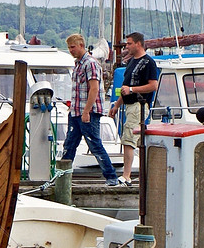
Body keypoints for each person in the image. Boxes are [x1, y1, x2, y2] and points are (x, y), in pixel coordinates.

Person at [62, 33, 120, 185]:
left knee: (94, 144)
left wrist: (87, 111)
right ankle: (62, 178)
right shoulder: (78, 64)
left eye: (73, 47)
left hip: (87, 112)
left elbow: (93, 89)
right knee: (69, 145)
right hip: (76, 111)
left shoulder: (90, 63)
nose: (70, 50)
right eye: (69, 47)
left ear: (81, 45)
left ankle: (111, 177)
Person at [109, 31, 159, 185]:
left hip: (139, 104)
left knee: (129, 139)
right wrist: (116, 105)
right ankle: (131, 173)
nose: (127, 46)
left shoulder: (148, 62)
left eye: (129, 43)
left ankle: (126, 175)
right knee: (129, 138)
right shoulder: (131, 62)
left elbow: (153, 85)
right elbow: (125, 87)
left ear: (138, 43)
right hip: (128, 104)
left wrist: (133, 90)